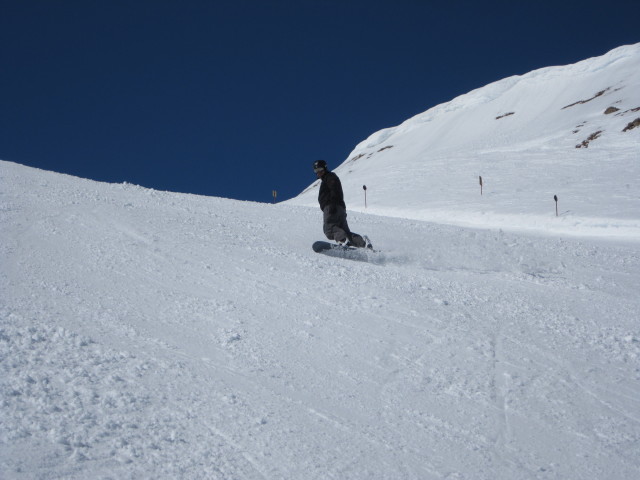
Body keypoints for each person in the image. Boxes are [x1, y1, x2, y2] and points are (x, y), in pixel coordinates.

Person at [313, 160, 372, 249]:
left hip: (331, 206)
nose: (318, 173)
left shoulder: (330, 177)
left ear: (325, 167)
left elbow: (334, 189)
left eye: (320, 169)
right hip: (339, 208)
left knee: (329, 230)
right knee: (344, 231)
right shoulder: (327, 179)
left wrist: (332, 204)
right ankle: (362, 243)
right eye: (316, 171)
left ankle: (342, 241)